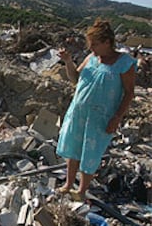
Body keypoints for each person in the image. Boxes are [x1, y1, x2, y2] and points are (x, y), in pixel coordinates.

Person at [56, 18, 137, 201]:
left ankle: (82, 191)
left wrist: (117, 117)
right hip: (78, 112)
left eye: (94, 44)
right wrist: (68, 61)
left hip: (101, 117)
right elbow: (75, 78)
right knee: (73, 149)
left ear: (107, 43)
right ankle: (68, 184)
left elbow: (129, 92)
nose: (91, 48)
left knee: (90, 153)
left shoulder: (124, 63)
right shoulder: (92, 58)